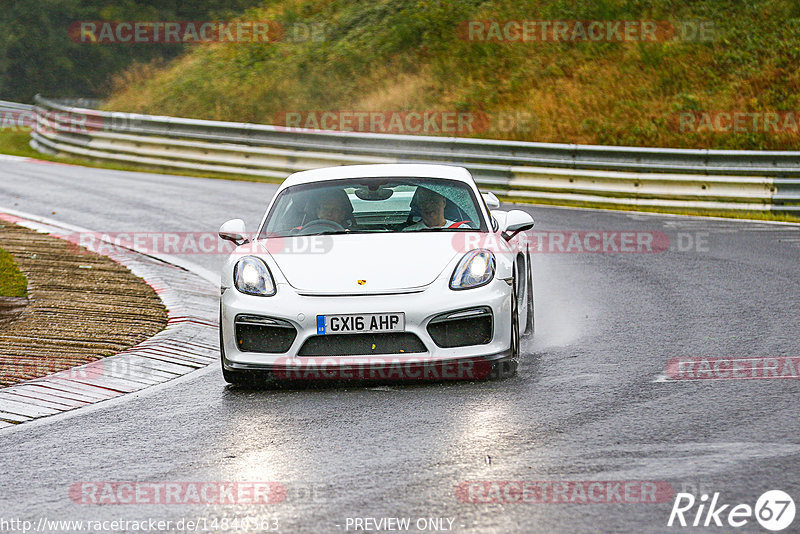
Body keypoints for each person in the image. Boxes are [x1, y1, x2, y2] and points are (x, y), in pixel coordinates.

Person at [403, 187, 470, 230]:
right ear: (419, 206)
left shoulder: (463, 229)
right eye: (424, 201)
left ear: (443, 202)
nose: (428, 206)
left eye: (433, 201)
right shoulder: (409, 232)